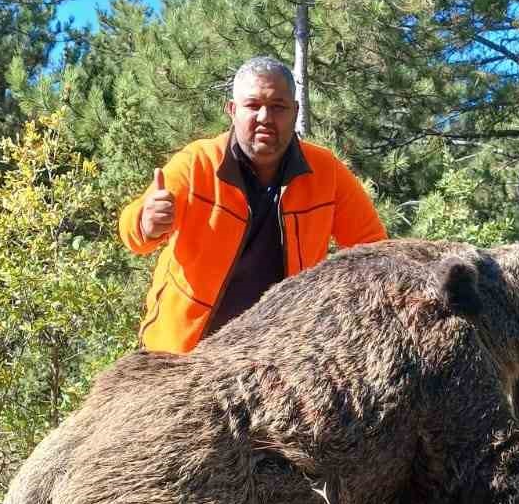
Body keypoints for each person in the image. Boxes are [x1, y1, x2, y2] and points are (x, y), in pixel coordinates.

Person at [118, 55, 387, 353]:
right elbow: (133, 235)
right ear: (232, 111)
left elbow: (375, 251)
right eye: (253, 106)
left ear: (295, 111)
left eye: (278, 107)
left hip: (276, 354)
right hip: (182, 352)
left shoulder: (327, 172)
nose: (265, 118)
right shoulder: (198, 164)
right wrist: (146, 223)